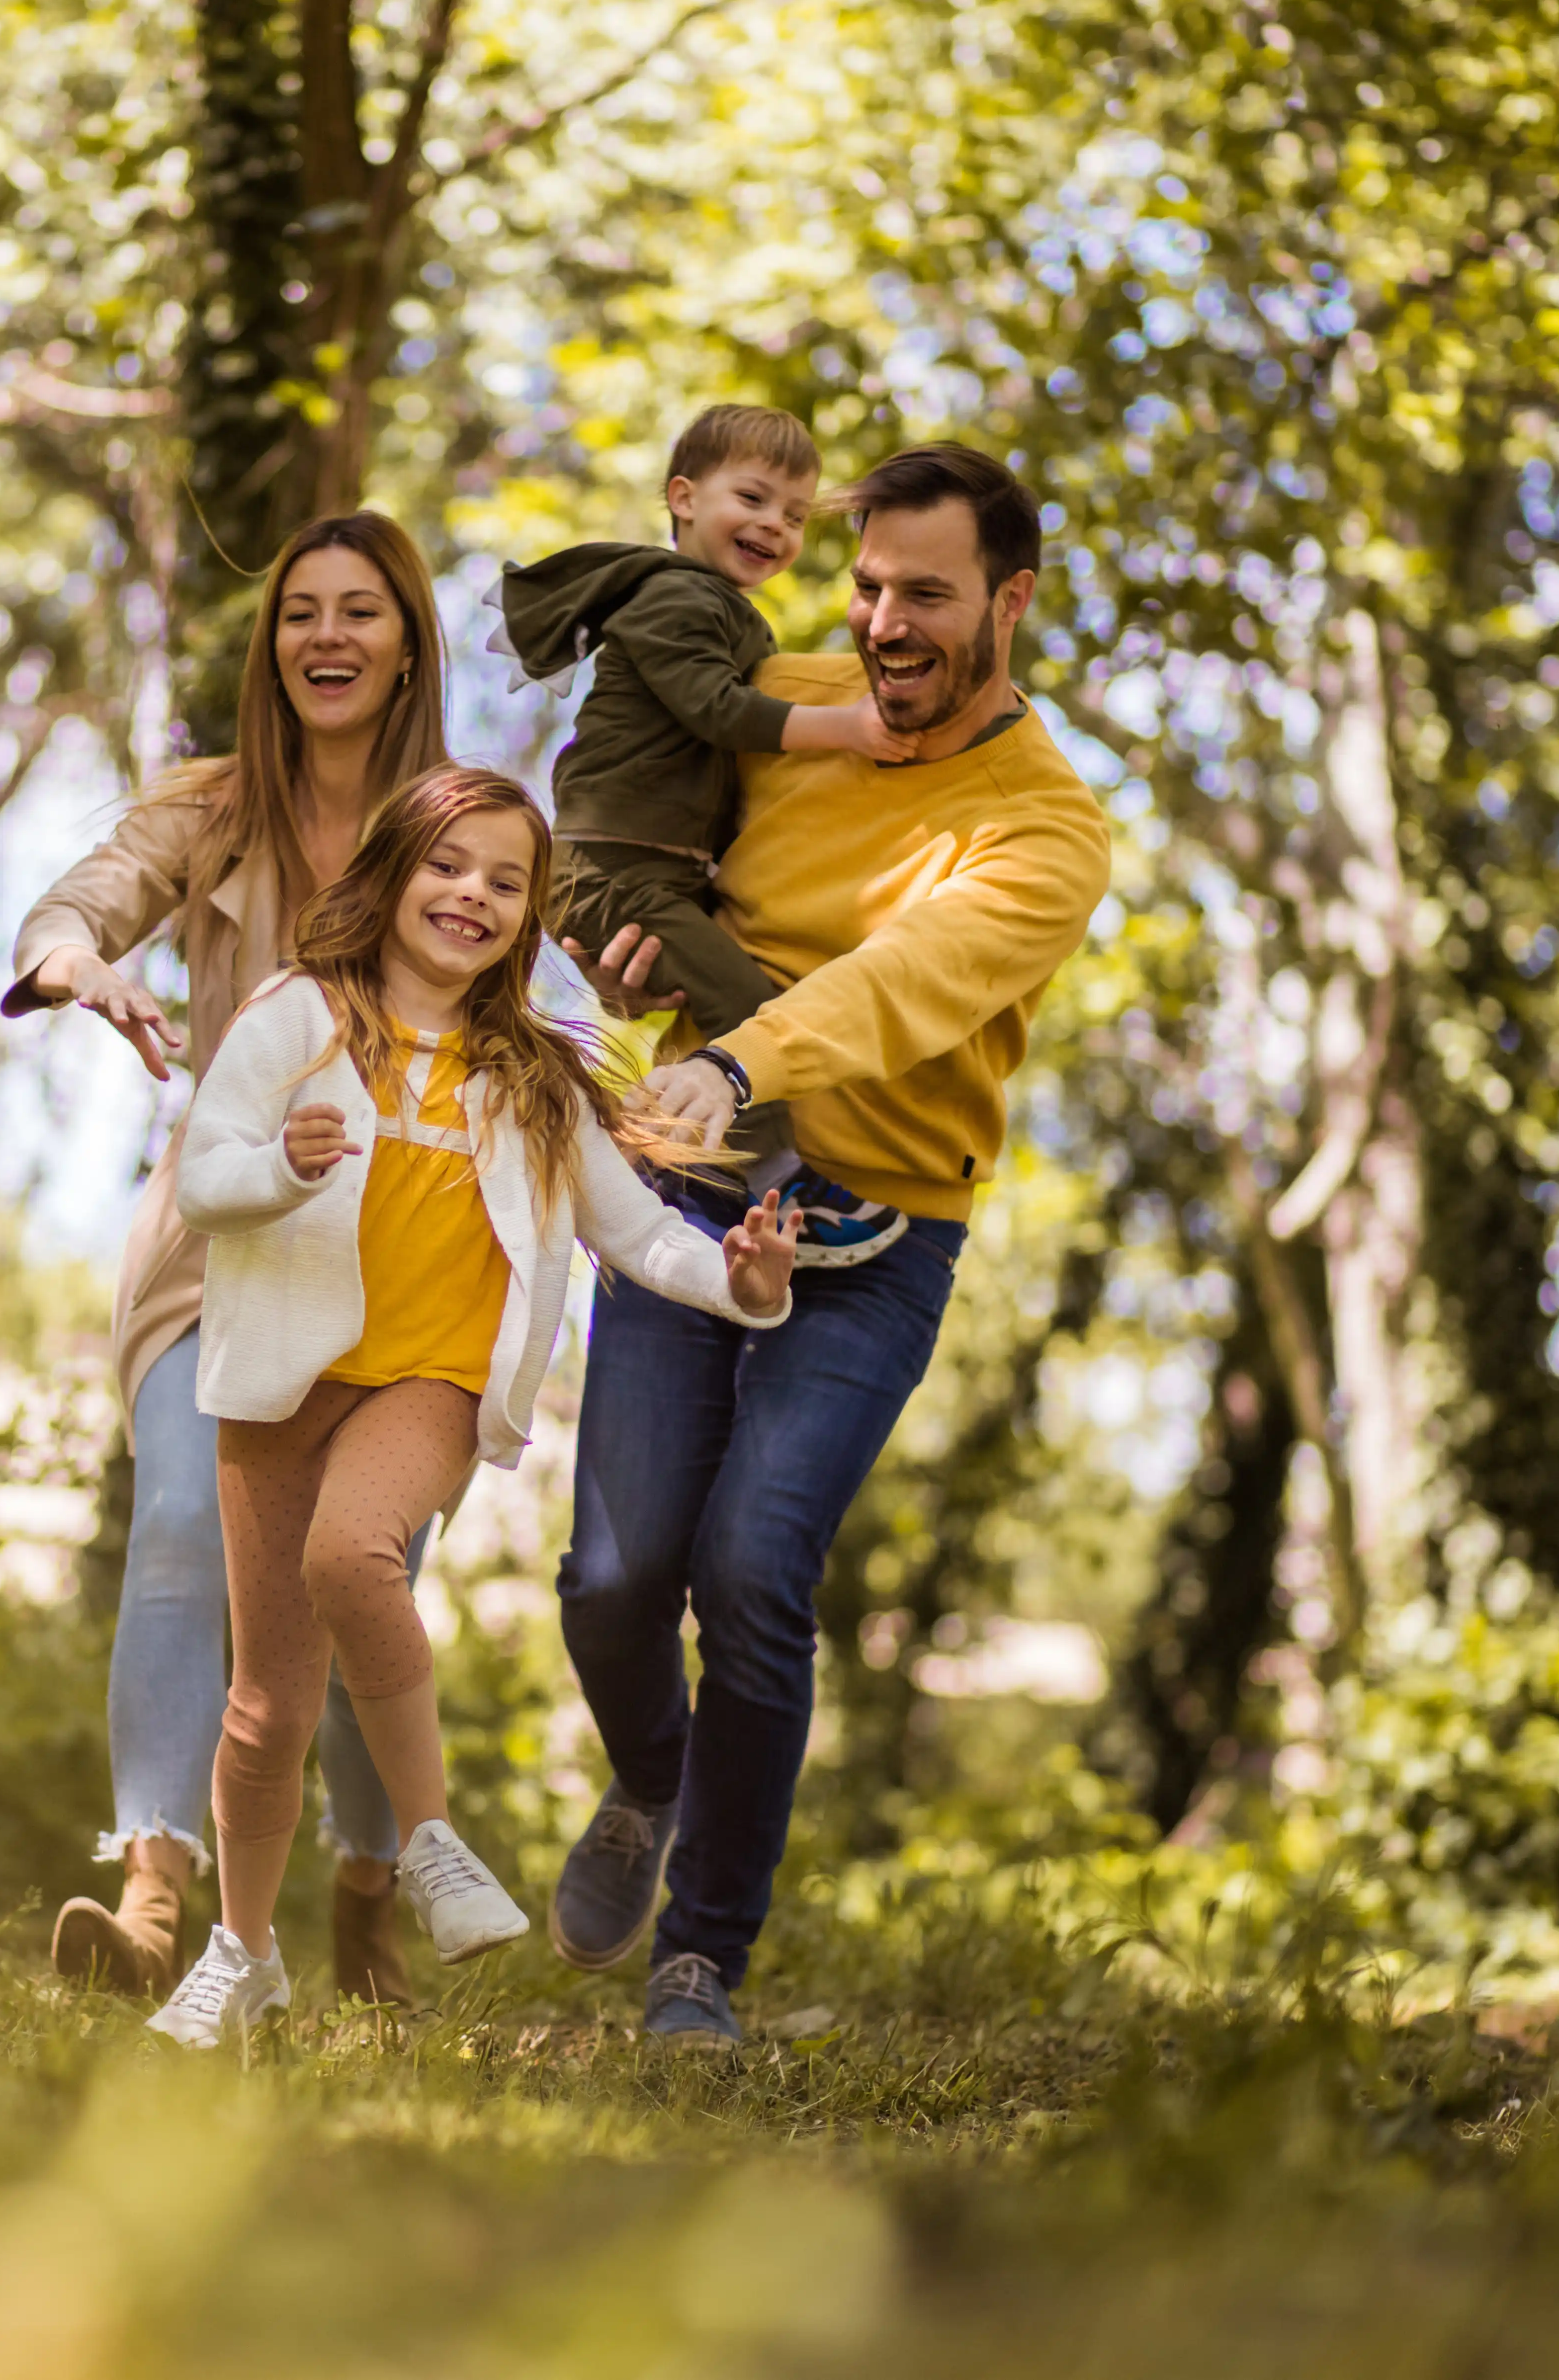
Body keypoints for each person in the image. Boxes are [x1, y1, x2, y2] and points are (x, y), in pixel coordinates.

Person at [544, 442, 1114, 2044]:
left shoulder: (1046, 828)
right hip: (691, 1182)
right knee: (612, 1574)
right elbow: (622, 814)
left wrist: (738, 1059)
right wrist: (618, 937)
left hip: (880, 1230)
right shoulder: (783, 695)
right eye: (866, 587)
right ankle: (652, 1781)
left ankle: (700, 1959)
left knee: (751, 1567)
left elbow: (904, 982)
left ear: (1012, 600)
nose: (882, 625)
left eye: (925, 595)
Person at [142, 765, 800, 2049]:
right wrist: (281, 1166)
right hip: (284, 1375)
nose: (474, 896)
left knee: (352, 1554)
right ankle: (242, 1951)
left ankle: (431, 1840)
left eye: (508, 882)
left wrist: (739, 1282)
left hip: (430, 1383)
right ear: (394, 871)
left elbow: (638, 1231)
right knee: (265, 1704)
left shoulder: (536, 1077)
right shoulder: (297, 1018)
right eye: (451, 866)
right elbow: (206, 1178)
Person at [5, 511, 455, 2007]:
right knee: (188, 1530)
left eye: (359, 613)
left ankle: (367, 1889)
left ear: (406, 648)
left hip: (408, 1256)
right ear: (274, 649)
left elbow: (562, 987)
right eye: (299, 614)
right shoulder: (207, 809)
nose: (326, 637)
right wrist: (83, 963)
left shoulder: (462, 829)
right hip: (225, 1235)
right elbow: (74, 903)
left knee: (356, 1571)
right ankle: (152, 1903)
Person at [498, 403, 908, 1231]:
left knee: (725, 1007)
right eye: (752, 499)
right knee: (751, 1015)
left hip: (647, 870)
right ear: (683, 497)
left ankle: (679, 1171)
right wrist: (852, 726)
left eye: (794, 515)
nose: (774, 526)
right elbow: (717, 711)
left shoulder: (716, 606)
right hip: (613, 871)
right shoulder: (673, 597)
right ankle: (760, 1185)